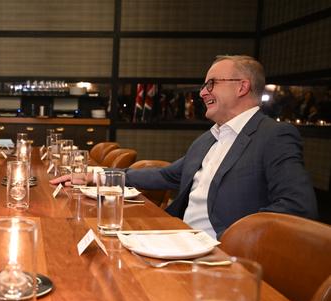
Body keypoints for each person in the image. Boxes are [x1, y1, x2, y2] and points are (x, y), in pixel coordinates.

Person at [52, 55, 317, 239]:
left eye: (211, 83)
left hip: (221, 255)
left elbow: (298, 205)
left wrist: (237, 238)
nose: (202, 92)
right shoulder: (209, 138)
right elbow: (167, 175)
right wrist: (96, 176)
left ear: (242, 87)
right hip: (178, 237)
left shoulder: (274, 135)